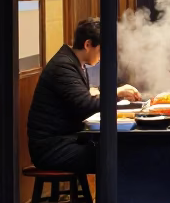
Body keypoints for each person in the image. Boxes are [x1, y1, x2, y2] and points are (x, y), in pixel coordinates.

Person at [28, 17, 141, 177]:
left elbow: (82, 97)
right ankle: (111, 202)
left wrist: (107, 92)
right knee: (115, 156)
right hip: (52, 148)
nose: (102, 56)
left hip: (68, 140)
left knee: (120, 148)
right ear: (88, 45)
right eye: (101, 49)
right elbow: (86, 106)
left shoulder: (73, 62)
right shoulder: (63, 66)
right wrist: (117, 93)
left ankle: (118, 201)